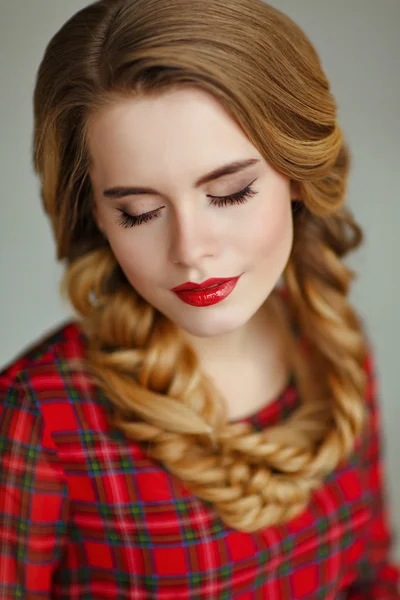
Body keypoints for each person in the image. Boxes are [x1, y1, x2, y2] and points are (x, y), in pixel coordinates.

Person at [0, 0, 398, 597]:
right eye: (140, 212)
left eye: (232, 193)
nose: (190, 250)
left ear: (296, 174)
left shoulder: (332, 345)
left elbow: (372, 576)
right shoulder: (41, 418)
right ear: (97, 218)